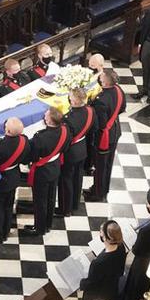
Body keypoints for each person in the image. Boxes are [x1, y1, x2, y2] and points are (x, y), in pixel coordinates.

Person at [0, 117, 30, 243]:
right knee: (8, 206)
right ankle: (6, 230)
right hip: (13, 178)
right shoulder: (24, 141)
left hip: (0, 181)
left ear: (6, 130)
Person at [24, 109, 69, 237]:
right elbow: (65, 147)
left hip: (42, 173)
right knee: (50, 198)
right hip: (55, 168)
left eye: (46, 115)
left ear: (48, 120)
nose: (44, 115)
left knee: (40, 201)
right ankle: (48, 224)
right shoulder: (65, 130)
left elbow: (33, 156)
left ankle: (39, 228)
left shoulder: (40, 137)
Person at [86, 69, 126, 202]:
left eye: (101, 77)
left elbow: (100, 124)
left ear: (105, 82)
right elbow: (122, 108)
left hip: (104, 137)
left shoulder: (101, 100)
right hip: (115, 130)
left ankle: (98, 193)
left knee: (100, 166)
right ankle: (103, 188)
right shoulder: (118, 90)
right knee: (108, 165)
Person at [79, 220, 127, 300]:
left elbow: (91, 283)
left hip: (97, 294)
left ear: (106, 238)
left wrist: (81, 283)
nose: (99, 233)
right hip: (111, 288)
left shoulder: (98, 263)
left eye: (101, 231)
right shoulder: (121, 247)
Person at [59, 88, 95, 216]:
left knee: (66, 180)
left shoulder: (68, 118)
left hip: (71, 153)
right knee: (78, 177)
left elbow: (65, 139)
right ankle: (75, 203)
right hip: (82, 149)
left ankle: (65, 209)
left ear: (73, 101)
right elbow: (93, 128)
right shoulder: (90, 111)